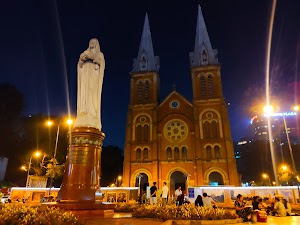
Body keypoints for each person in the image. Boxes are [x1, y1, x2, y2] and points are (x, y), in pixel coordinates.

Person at [74, 38, 105, 131]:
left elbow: (102, 64)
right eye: (90, 42)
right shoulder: (85, 52)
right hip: (85, 79)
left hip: (93, 80)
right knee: (84, 96)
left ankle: (92, 114)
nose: (92, 43)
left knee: (92, 96)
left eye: (94, 42)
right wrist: (81, 59)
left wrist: (94, 58)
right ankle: (83, 112)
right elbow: (79, 66)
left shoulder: (99, 54)